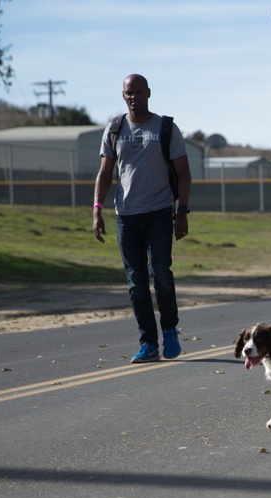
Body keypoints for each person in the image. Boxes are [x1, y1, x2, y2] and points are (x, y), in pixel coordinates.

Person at [93, 73, 192, 363]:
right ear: (123, 96)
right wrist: (97, 208)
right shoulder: (114, 129)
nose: (133, 96)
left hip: (160, 212)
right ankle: (148, 343)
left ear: (148, 93)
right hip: (126, 216)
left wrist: (182, 211)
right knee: (136, 282)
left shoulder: (165, 128)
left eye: (138, 91)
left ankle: (170, 330)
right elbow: (105, 173)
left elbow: (184, 173)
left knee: (161, 273)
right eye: (128, 92)